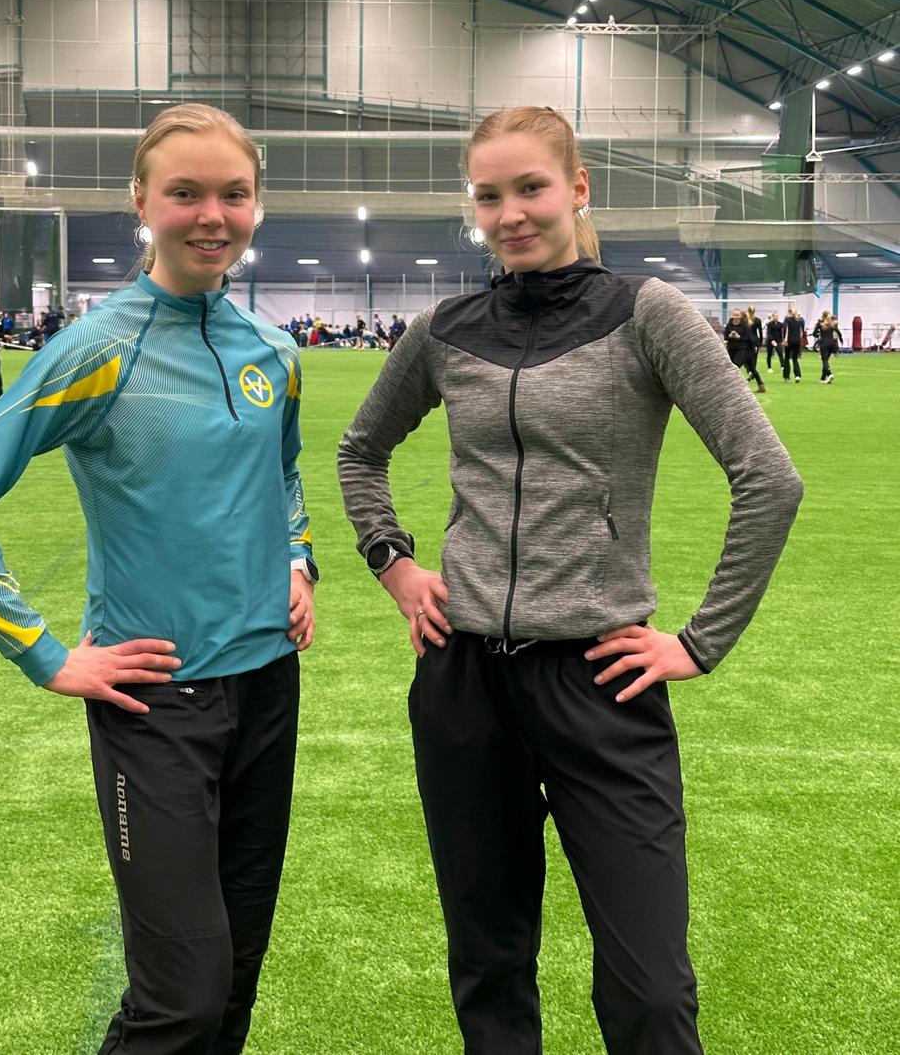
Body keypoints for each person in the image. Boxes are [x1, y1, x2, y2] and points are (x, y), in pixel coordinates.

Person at [338, 104, 802, 1055]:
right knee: (489, 962)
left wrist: (699, 641)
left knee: (650, 991)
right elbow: (360, 451)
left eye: (531, 187)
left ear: (578, 187)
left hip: (601, 683)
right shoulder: (445, 330)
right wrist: (394, 562)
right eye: (488, 195)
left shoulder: (647, 314)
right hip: (465, 684)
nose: (510, 213)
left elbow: (769, 478)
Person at [0, 102, 317, 1054]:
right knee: (181, 998)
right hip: (155, 702)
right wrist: (47, 655)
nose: (211, 215)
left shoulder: (276, 351)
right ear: (142, 202)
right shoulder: (98, 348)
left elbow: (286, 472)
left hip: (269, 687)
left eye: (234, 193)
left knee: (235, 979)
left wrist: (298, 558)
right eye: (186, 193)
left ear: (257, 204)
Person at [724, 308, 765, 392]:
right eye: (734, 315)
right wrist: (730, 336)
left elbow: (749, 338)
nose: (736, 317)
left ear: (740, 316)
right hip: (731, 349)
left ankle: (734, 387)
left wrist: (739, 337)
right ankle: (761, 385)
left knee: (735, 366)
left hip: (742, 349)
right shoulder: (729, 325)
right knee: (751, 368)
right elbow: (725, 336)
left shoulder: (745, 326)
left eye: (737, 315)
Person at [817, 312, 843, 383]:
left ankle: (829, 374)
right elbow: (838, 332)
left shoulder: (820, 324)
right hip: (832, 344)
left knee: (824, 360)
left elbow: (814, 333)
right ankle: (823, 378)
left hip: (824, 344)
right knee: (826, 361)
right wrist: (841, 340)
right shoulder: (831, 324)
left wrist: (818, 335)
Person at [781, 307, 805, 382]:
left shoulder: (787, 319)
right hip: (797, 341)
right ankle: (797, 375)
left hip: (789, 341)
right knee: (795, 359)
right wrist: (799, 340)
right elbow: (801, 332)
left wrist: (785, 340)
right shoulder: (799, 320)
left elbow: (785, 330)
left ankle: (786, 376)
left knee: (787, 358)